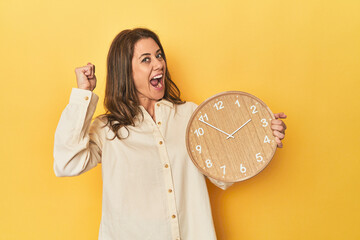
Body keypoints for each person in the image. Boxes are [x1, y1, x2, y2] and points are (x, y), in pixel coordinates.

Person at [53, 28, 287, 240]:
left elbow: (221, 174)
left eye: (159, 55)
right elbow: (67, 163)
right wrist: (83, 94)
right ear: (126, 71)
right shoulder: (107, 129)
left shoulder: (190, 116)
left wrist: (262, 137)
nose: (159, 64)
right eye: (146, 60)